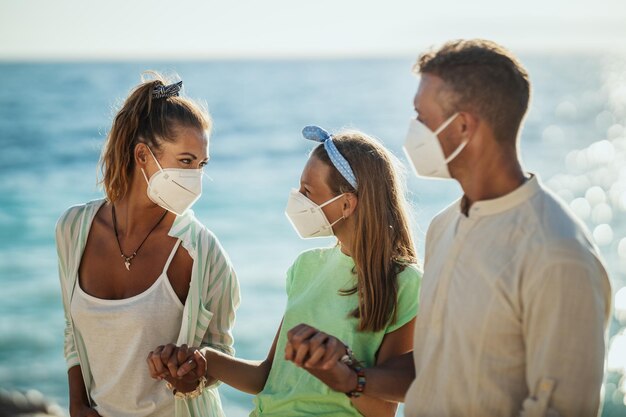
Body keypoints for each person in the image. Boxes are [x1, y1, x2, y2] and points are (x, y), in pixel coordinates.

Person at [286, 39, 613, 416]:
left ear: (462, 126)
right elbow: (435, 363)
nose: (412, 132)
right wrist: (353, 376)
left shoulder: (557, 253)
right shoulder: (445, 227)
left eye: (421, 119)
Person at [149, 126, 422, 416]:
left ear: (346, 204)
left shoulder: (405, 283)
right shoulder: (305, 267)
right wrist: (204, 359)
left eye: (307, 191)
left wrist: (344, 375)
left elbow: (382, 410)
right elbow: (268, 376)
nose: (298, 199)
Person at [56, 73, 240, 417]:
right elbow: (72, 329)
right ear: (142, 155)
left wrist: (189, 377)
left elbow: (219, 355)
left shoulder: (201, 252)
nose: (196, 178)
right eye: (186, 162)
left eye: (201, 165)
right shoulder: (72, 230)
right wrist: (77, 405)